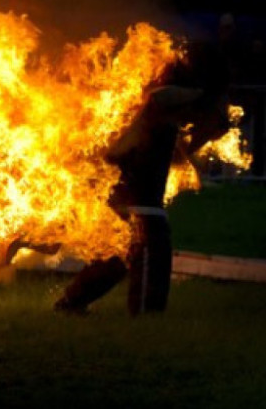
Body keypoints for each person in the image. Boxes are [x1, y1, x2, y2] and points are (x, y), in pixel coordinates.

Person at [53, 40, 231, 316]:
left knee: (116, 257)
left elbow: (182, 152)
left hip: (131, 199)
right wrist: (203, 97)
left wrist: (205, 133)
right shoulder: (158, 103)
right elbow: (160, 98)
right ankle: (146, 317)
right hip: (138, 202)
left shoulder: (169, 121)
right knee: (152, 249)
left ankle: (71, 304)